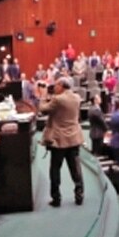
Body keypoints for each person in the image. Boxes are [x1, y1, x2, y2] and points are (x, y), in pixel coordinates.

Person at [39, 77, 85, 207]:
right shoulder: (76, 97)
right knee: (76, 169)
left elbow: (43, 109)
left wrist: (43, 95)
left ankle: (56, 198)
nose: (54, 87)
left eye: (56, 84)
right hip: (74, 138)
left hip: (59, 140)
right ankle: (79, 195)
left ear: (62, 86)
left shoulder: (58, 99)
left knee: (55, 170)